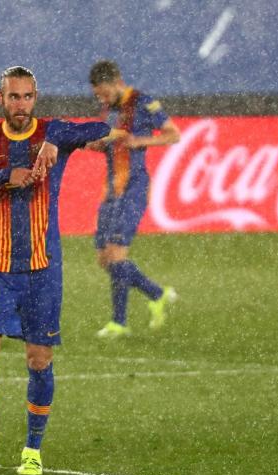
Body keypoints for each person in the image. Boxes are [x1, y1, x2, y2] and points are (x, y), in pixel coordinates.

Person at [0, 66, 111, 475]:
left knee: (38, 359)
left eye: (26, 96)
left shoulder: (53, 132)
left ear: (35, 97)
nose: (20, 104)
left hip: (43, 269)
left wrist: (55, 139)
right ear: (0, 98)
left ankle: (32, 451)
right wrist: (5, 176)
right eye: (13, 96)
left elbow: (102, 128)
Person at [86, 60, 181, 339]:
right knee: (104, 258)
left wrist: (141, 141)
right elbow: (112, 144)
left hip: (133, 188)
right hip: (112, 190)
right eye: (98, 96)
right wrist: (97, 145)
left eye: (104, 93)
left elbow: (173, 134)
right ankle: (157, 294)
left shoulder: (142, 102)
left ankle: (119, 322)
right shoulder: (110, 110)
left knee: (116, 254)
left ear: (117, 82)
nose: (102, 99)